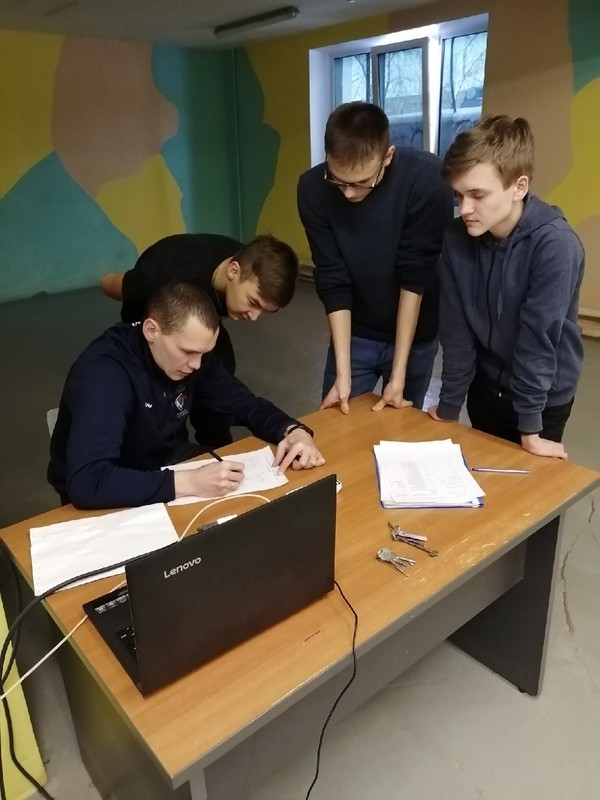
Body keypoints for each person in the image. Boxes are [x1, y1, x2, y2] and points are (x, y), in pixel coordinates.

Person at [48, 283, 324, 509]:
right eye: (188, 352)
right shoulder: (104, 374)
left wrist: (293, 430)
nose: (196, 365)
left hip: (166, 464)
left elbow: (243, 403)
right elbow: (88, 482)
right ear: (151, 330)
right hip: (114, 486)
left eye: (204, 354)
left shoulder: (193, 354)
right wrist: (188, 482)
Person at [427, 115, 585, 460]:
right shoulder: (456, 238)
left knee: (531, 487)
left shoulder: (556, 246)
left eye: (477, 195)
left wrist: (530, 430)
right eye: (458, 195)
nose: (464, 209)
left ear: (519, 187)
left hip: (542, 398)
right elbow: (456, 329)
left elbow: (537, 340)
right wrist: (450, 404)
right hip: (486, 385)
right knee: (484, 474)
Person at [297, 101, 454, 415]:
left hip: (415, 333)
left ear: (388, 156)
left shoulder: (428, 180)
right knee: (340, 416)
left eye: (361, 182)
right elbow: (332, 278)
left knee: (401, 425)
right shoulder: (312, 188)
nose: (348, 193)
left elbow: (415, 278)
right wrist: (343, 374)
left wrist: (399, 374)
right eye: (339, 181)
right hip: (355, 330)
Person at [101, 233, 299, 448]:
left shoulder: (252, 264)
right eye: (253, 302)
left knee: (221, 371)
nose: (254, 317)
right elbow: (119, 287)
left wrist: (289, 428)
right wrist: (105, 281)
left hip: (202, 316)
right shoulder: (163, 275)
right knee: (162, 392)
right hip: (149, 314)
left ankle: (216, 443)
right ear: (233, 271)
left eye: (266, 310)